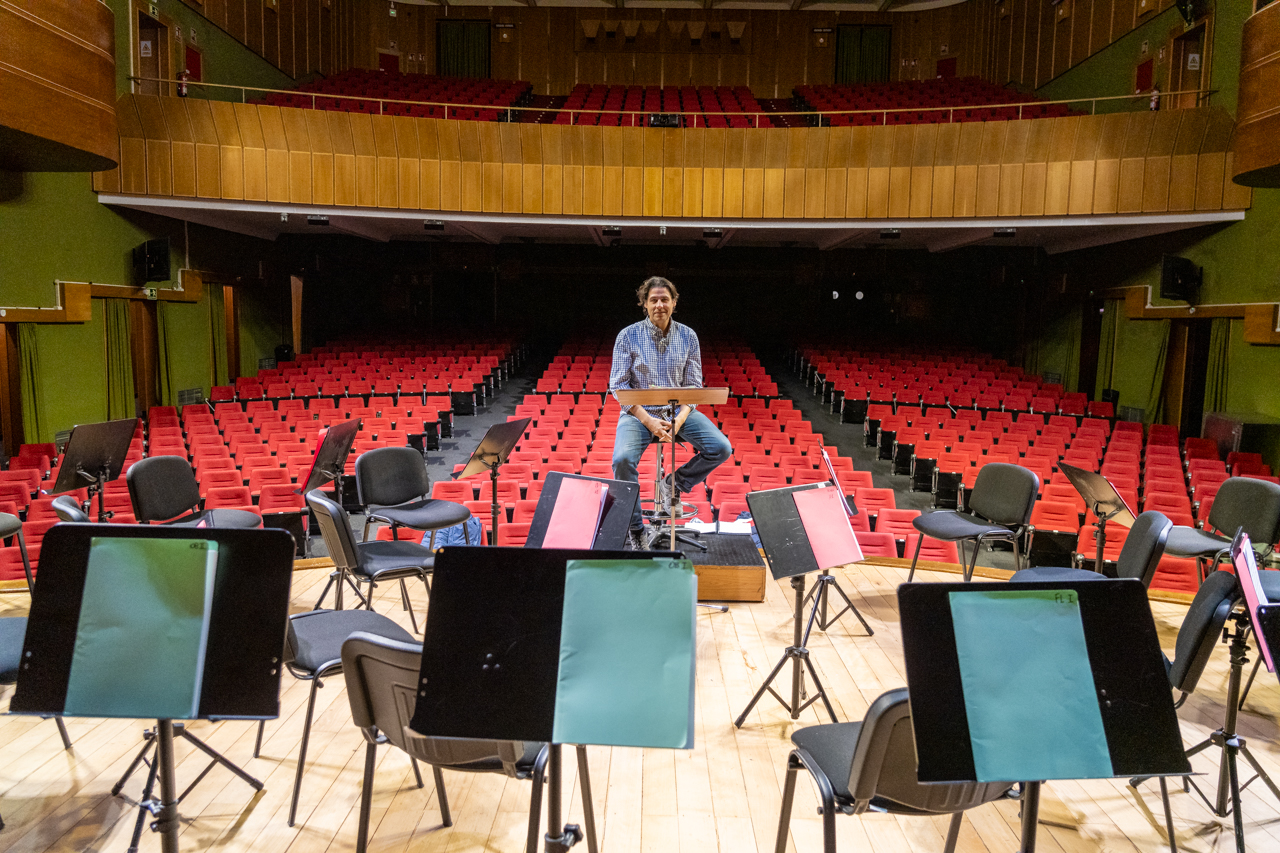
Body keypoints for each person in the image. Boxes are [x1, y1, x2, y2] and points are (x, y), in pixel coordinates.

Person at [609, 277, 733, 548]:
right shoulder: (627, 336)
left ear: (674, 303)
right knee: (622, 460)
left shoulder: (688, 336)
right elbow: (618, 386)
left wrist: (678, 420)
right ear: (644, 304)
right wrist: (649, 421)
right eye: (653, 300)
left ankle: (674, 484)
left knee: (721, 447)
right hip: (638, 414)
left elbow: (693, 385)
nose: (659, 305)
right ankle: (636, 529)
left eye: (665, 299)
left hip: (678, 411)